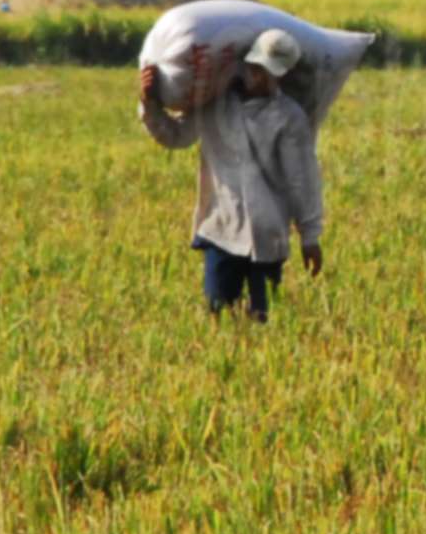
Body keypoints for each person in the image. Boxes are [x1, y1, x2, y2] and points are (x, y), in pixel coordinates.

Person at [138, 28, 326, 322]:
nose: (260, 77)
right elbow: (175, 136)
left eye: (270, 73)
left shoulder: (289, 118)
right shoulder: (214, 103)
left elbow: (301, 180)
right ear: (247, 62)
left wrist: (310, 236)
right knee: (219, 315)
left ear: (282, 76)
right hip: (221, 228)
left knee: (263, 321)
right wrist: (149, 102)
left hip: (268, 236)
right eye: (257, 68)